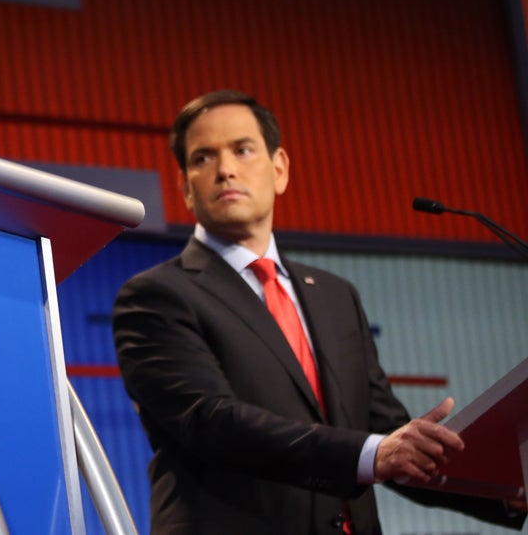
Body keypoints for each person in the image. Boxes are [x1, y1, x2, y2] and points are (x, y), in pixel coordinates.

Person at [112, 90, 526, 534]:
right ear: (185, 187)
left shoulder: (335, 295)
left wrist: (508, 490)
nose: (226, 169)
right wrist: (370, 454)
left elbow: (385, 435)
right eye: (203, 158)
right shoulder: (154, 296)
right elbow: (212, 422)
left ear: (279, 169)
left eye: (243, 149)